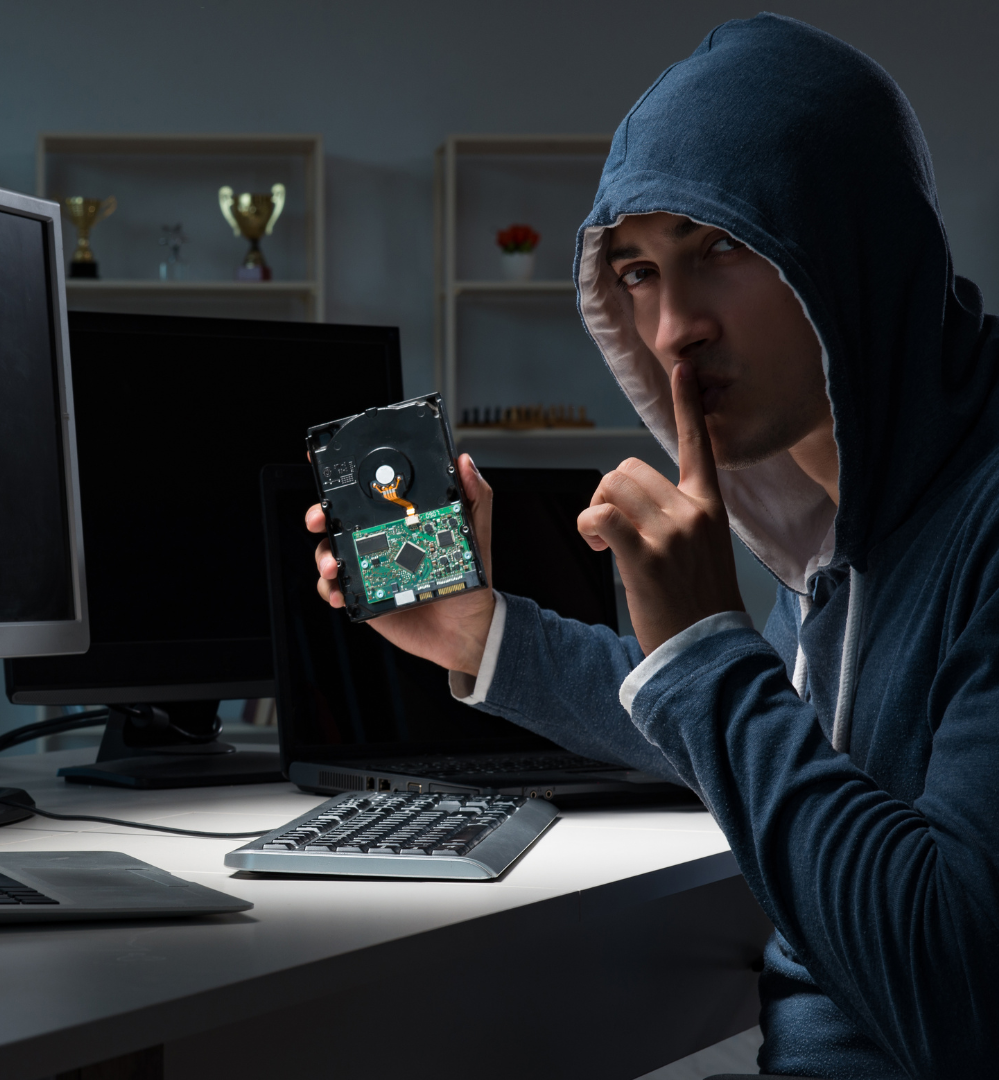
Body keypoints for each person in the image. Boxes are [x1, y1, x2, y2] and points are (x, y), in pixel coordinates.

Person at [309, 14, 999, 1079]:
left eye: (723, 249)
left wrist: (706, 652)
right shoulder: (843, 525)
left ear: (858, 242)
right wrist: (484, 637)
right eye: (634, 272)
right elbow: (776, 727)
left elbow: (959, 994)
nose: (675, 327)